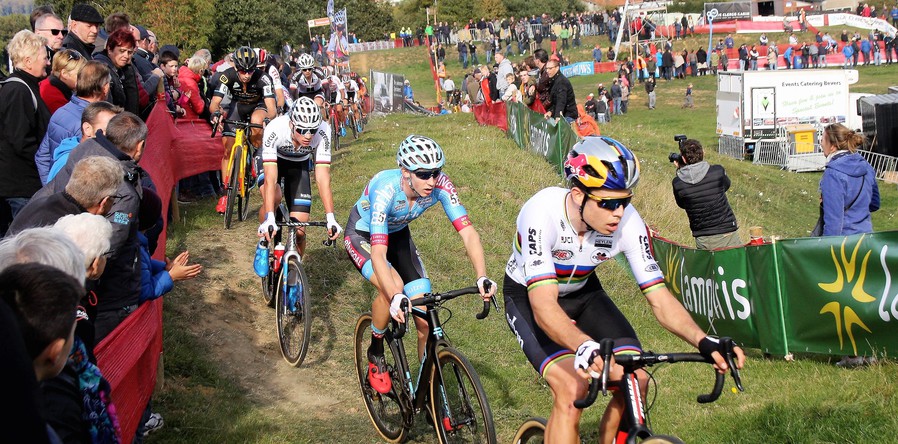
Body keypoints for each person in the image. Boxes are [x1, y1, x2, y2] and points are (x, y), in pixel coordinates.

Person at [503, 137, 745, 444]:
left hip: (583, 293)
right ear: (578, 194)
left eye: (625, 201)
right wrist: (583, 345)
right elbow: (544, 307)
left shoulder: (628, 222)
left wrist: (703, 340)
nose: (618, 212)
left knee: (636, 377)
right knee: (572, 388)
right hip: (529, 296)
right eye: (608, 203)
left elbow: (659, 298)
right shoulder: (540, 213)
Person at [344, 135, 497, 394]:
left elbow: (468, 233)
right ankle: (376, 348)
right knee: (393, 285)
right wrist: (394, 295)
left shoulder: (441, 185)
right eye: (424, 174)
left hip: (399, 235)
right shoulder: (386, 189)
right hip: (364, 235)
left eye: (436, 172)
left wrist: (482, 276)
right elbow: (379, 255)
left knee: (425, 319)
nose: (432, 181)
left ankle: (429, 396)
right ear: (405, 172)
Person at [255, 97, 342, 274]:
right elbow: (271, 178)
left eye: (312, 130)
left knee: (300, 232)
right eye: (302, 130)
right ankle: (264, 239)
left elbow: (323, 177)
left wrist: (330, 217)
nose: (308, 136)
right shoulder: (275, 128)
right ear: (291, 124)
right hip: (274, 162)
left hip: (298, 166)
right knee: (275, 196)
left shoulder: (324, 130)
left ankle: (293, 274)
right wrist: (270, 216)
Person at [209, 46, 277, 214]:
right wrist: (217, 113)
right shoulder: (227, 76)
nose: (246, 75)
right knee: (227, 148)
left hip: (258, 107)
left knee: (256, 121)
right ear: (235, 68)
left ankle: (256, 156)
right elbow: (214, 103)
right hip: (237, 107)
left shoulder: (264, 78)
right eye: (242, 71)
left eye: (250, 71)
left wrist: (268, 119)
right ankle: (225, 193)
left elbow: (272, 109)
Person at [0, 30, 51, 235]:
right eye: (44, 57)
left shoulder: (26, 87)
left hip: (24, 183)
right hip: (20, 186)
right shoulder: (18, 90)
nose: (48, 62)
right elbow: (20, 140)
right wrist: (43, 165)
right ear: (28, 61)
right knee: (24, 241)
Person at [36, 61, 112, 183]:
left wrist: (49, 187)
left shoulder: (60, 112)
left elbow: (42, 157)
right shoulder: (90, 124)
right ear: (105, 88)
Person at [671, 139, 742, 250]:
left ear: (683, 159)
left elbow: (682, 204)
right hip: (727, 231)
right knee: (735, 264)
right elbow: (726, 186)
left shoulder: (678, 183)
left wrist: (681, 170)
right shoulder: (718, 171)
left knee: (710, 267)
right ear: (703, 152)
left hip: (702, 236)